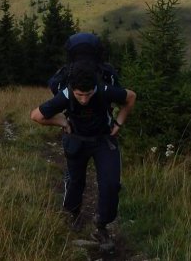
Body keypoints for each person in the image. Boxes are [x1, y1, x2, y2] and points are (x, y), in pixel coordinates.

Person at [30, 58, 137, 243]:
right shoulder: (66, 94)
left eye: (88, 94)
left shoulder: (104, 90)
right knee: (75, 181)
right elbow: (36, 116)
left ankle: (102, 224)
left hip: (104, 140)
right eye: (79, 95)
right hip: (77, 140)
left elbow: (131, 97)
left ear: (94, 86)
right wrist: (62, 122)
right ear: (72, 88)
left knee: (111, 184)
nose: (84, 99)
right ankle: (74, 214)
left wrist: (119, 123)